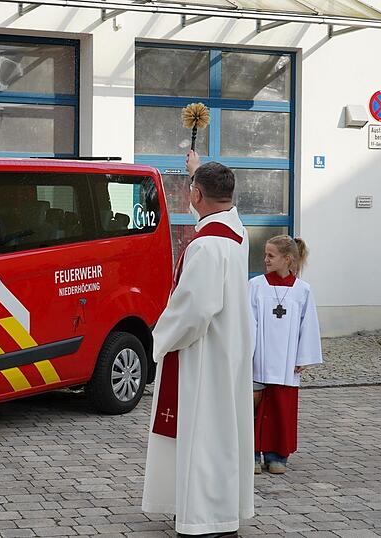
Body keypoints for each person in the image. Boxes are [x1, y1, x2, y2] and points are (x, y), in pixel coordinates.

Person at [142, 150, 254, 538]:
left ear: (195, 196)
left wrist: (158, 338)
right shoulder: (236, 233)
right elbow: (216, 208)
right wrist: (199, 172)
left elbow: (194, 309)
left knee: (204, 435)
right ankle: (206, 509)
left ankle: (206, 518)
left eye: (192, 189)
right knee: (222, 433)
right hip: (230, 349)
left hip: (203, 354)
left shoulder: (205, 246)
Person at [249, 236, 323, 475]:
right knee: (254, 409)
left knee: (282, 408)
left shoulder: (303, 290)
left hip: (287, 362)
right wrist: (246, 353)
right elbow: (248, 322)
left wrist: (303, 357)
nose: (266, 259)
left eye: (271, 255)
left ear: (287, 259)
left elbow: (308, 325)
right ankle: (251, 454)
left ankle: (277, 455)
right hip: (258, 359)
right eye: (265, 255)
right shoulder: (256, 285)